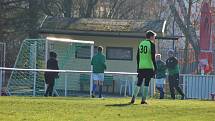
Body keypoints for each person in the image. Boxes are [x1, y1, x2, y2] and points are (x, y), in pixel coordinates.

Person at [130, 30, 157, 104]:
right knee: (146, 83)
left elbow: (137, 56)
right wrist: (155, 67)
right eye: (154, 37)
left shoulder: (141, 43)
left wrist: (138, 67)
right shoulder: (152, 44)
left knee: (139, 83)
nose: (155, 38)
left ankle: (133, 98)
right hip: (148, 66)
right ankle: (143, 100)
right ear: (151, 37)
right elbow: (153, 58)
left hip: (141, 66)